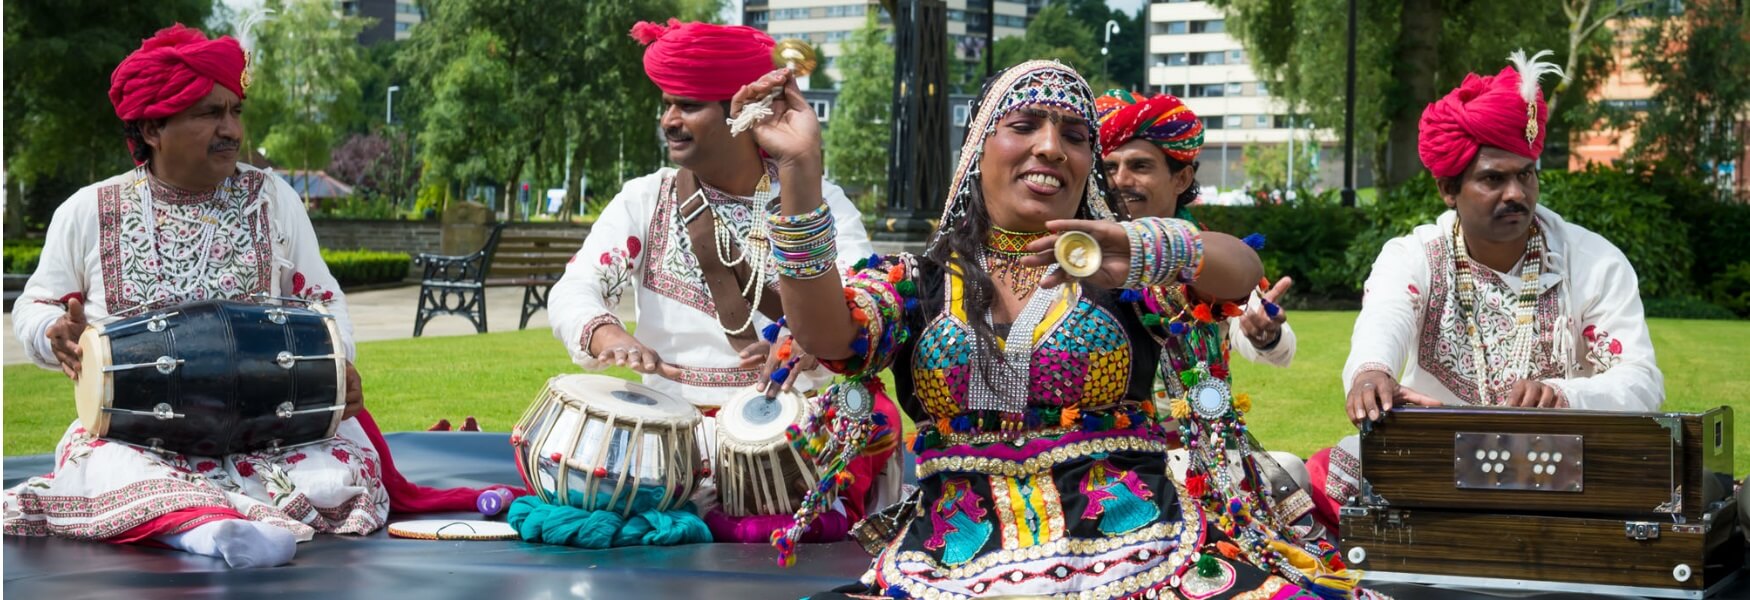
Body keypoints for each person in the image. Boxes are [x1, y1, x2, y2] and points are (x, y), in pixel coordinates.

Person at [741, 59, 1379, 598]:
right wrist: (800, 172)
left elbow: (1240, 273)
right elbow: (829, 336)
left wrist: (1149, 247)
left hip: (1142, 558)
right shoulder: (918, 280)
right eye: (1024, 126)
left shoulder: (1122, 266)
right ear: (978, 148)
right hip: (950, 568)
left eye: (1075, 135)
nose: (1051, 146)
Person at [5, 24, 385, 568]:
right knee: (109, 472)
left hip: (268, 431)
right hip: (139, 439)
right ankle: (208, 533)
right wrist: (50, 333)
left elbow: (322, 297)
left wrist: (338, 361)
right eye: (209, 114)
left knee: (335, 476)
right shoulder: (89, 210)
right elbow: (36, 304)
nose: (231, 129)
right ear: (154, 128)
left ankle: (207, 523)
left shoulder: (272, 200)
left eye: (235, 111)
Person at [546, 19, 889, 542]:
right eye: (666, 104)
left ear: (743, 112)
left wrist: (810, 342)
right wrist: (605, 334)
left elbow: (865, 297)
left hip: (790, 432)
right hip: (669, 438)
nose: (669, 120)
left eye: (688, 105)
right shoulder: (646, 198)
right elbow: (575, 288)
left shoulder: (818, 200)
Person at [1303, 50, 1665, 532]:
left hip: (1564, 469)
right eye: (1493, 178)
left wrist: (1563, 395)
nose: (1516, 193)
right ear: (1448, 191)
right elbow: (1385, 317)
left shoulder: (1592, 260)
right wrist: (1371, 373)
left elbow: (1642, 382)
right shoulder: (1414, 254)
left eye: (1526, 174)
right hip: (1434, 466)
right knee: (1302, 480)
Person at [1096, 89, 1329, 545]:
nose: (1121, 180)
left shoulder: (1210, 257)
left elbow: (1279, 349)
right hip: (1112, 458)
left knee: (1289, 488)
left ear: (1181, 178)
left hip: (1206, 454)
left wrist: (1262, 333)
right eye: (1110, 167)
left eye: (1139, 166)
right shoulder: (1083, 258)